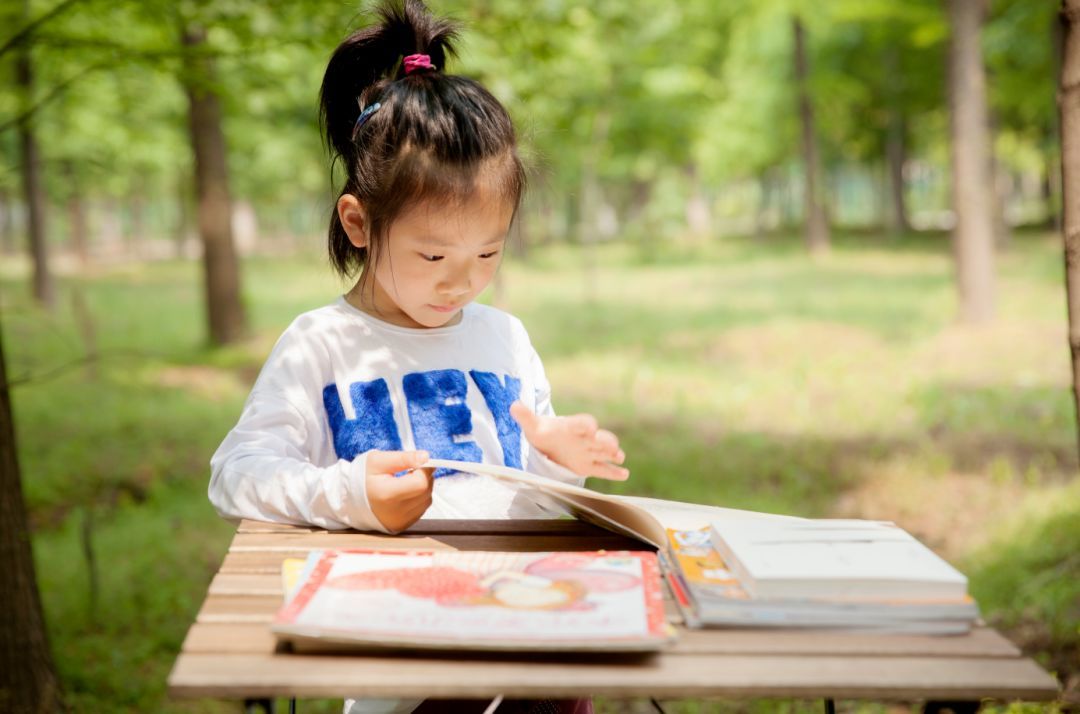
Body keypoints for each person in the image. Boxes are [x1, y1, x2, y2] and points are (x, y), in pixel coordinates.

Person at [208, 1, 626, 712]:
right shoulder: (323, 344)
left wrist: (554, 460)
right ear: (359, 222)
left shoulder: (503, 338)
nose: (460, 280)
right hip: (397, 661)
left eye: (487, 252)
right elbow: (236, 476)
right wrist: (349, 494)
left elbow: (523, 502)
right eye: (433, 253)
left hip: (528, 642)